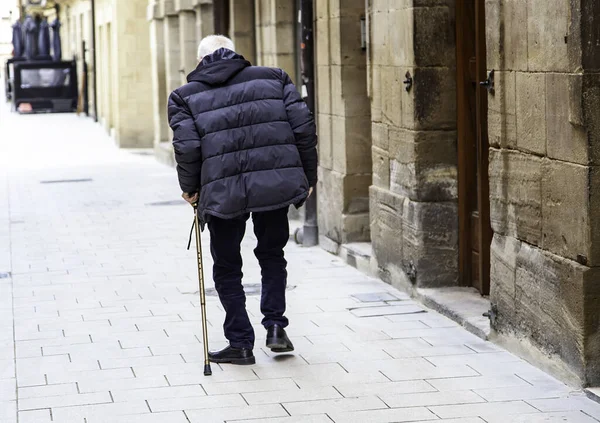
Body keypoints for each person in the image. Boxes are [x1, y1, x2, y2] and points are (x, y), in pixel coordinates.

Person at [168, 35, 317, 365]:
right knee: (271, 253)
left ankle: (240, 342)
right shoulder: (274, 77)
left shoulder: (183, 96)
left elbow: (187, 148)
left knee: (226, 265)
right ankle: (276, 326)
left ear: (199, 60)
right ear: (235, 52)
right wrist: (309, 176)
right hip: (273, 184)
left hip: (222, 192)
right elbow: (303, 127)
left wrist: (190, 189)